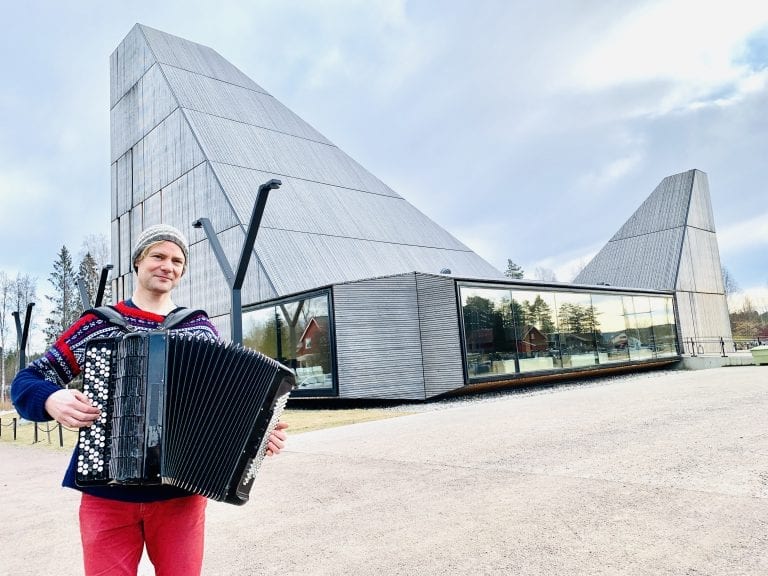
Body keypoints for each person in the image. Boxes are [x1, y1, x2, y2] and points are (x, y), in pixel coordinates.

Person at [11, 224, 288, 576]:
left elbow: (231, 406)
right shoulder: (97, 326)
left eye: (176, 260)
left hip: (180, 497)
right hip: (106, 494)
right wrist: (51, 399)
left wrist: (261, 436)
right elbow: (27, 380)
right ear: (138, 263)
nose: (167, 266)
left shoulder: (199, 329)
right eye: (157, 256)